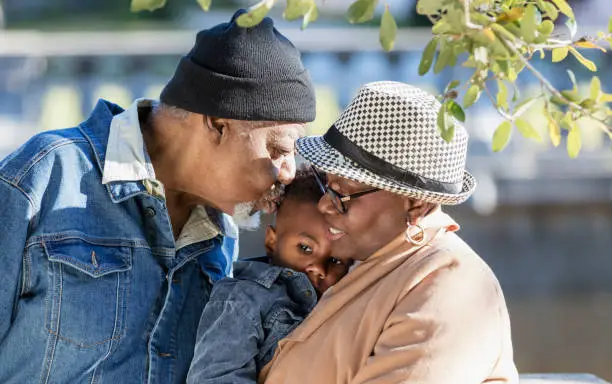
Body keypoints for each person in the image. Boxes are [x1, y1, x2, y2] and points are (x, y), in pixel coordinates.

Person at [0, 10, 315, 384]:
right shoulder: (44, 176)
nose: (290, 172)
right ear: (217, 124)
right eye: (279, 149)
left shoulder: (220, 237)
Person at [260, 81, 519, 384]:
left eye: (343, 196)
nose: (325, 206)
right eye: (327, 187)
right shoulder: (367, 258)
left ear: (415, 203)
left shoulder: (449, 285)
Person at [186, 169, 352, 384]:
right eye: (305, 248)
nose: (319, 268)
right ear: (272, 242)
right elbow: (216, 376)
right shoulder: (244, 299)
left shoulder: (344, 303)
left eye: (336, 260)